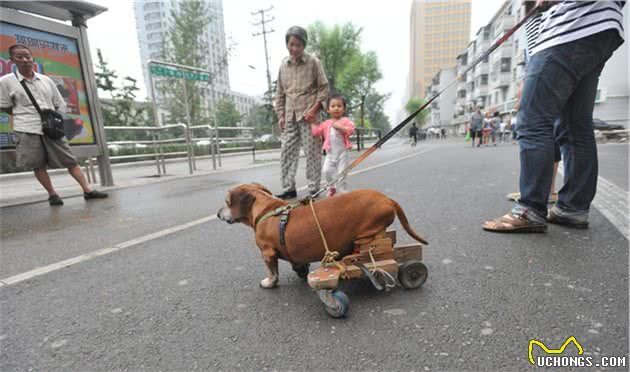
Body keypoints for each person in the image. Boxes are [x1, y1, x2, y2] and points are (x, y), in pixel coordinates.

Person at [483, 0, 625, 233]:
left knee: (532, 122)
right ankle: (573, 208)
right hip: (602, 26)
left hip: (569, 29)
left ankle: (530, 209)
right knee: (574, 126)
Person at [0, 44, 107, 206]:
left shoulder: (45, 80)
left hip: (51, 128)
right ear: (12, 60)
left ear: (32, 58)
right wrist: (22, 115)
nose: (25, 60)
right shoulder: (6, 82)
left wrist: (55, 119)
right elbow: (4, 105)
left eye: (27, 56)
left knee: (70, 160)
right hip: (26, 129)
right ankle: (52, 194)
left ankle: (87, 190)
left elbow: (58, 103)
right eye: (19, 57)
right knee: (37, 164)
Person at [274, 26, 329, 200]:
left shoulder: (313, 62)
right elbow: (280, 93)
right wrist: (281, 114)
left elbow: (323, 88)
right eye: (291, 44)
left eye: (298, 45)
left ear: (304, 45)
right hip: (290, 115)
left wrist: (315, 109)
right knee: (287, 152)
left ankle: (313, 189)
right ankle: (288, 188)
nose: (295, 49)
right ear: (287, 44)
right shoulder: (283, 65)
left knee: (312, 152)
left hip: (309, 115)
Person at [311, 94, 355, 197]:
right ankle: (332, 188)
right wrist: (312, 123)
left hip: (342, 153)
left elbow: (350, 130)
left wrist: (340, 127)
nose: (336, 108)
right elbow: (317, 132)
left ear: (344, 109)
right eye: (333, 106)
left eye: (339, 106)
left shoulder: (346, 121)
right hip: (330, 154)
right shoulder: (326, 123)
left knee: (342, 173)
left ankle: (344, 192)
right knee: (326, 171)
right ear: (328, 110)